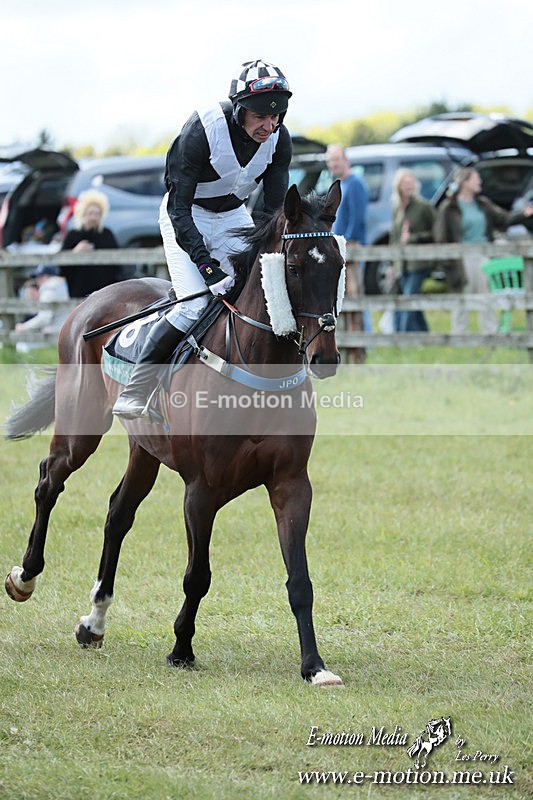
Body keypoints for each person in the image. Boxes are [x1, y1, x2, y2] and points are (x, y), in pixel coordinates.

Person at [113, 59, 293, 420]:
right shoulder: (202, 129)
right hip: (186, 214)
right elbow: (179, 209)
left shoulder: (279, 140)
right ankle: (139, 386)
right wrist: (206, 266)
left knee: (252, 295)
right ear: (240, 109)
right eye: (260, 116)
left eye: (275, 117)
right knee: (193, 304)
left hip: (233, 217)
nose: (268, 125)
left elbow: (271, 212)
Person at [434, 167, 533, 334]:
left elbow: (504, 218)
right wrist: (446, 261)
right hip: (461, 258)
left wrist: (524, 214)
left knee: (487, 294)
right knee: (462, 296)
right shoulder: (449, 208)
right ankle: (459, 336)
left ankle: (490, 333)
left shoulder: (482, 204)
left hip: (483, 255)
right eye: (476, 179)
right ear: (464, 182)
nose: (480, 182)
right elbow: (440, 235)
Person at [325, 144, 370, 354]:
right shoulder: (338, 184)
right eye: (330, 161)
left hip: (351, 246)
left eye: (336, 159)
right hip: (338, 246)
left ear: (345, 160)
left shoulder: (355, 183)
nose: (333, 164)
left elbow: (358, 218)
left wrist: (349, 241)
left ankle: (362, 344)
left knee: (355, 294)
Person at [390, 168, 436, 332]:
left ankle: (402, 337)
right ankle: (425, 335)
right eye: (405, 183)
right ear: (399, 186)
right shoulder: (397, 209)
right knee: (412, 302)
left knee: (409, 299)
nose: (409, 186)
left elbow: (436, 233)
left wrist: (415, 238)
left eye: (411, 183)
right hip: (402, 264)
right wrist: (392, 264)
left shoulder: (424, 207)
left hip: (419, 263)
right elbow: (394, 237)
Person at [61, 189, 120, 297]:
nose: (93, 217)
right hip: (78, 289)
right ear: (83, 214)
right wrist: (75, 252)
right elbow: (61, 266)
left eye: (97, 214)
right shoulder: (73, 235)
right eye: (90, 213)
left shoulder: (106, 234)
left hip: (103, 290)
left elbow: (117, 264)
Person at [15, 264, 70, 340]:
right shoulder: (61, 285)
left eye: (39, 277)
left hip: (54, 336)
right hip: (62, 333)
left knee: (21, 346)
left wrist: (24, 327)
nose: (37, 280)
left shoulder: (49, 289)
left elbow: (44, 318)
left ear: (46, 276)